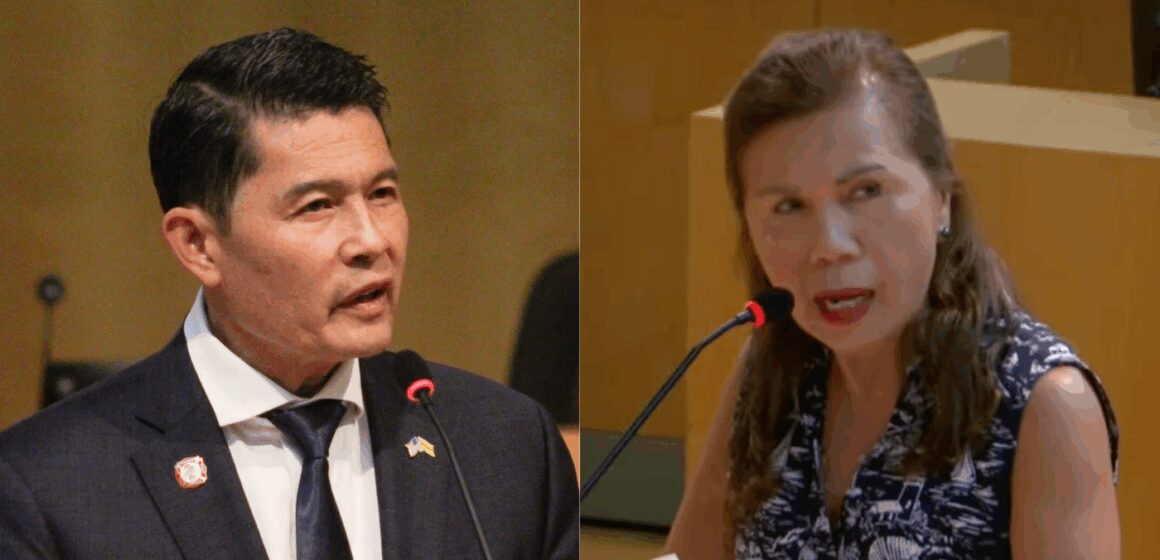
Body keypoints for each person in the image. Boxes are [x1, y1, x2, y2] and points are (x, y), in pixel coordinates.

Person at [0, 28, 578, 560]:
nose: (372, 241)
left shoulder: (505, 446)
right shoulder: (48, 485)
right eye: (318, 206)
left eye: (382, 193)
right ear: (198, 244)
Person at [663, 29, 1119, 559]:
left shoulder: (1044, 405)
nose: (829, 247)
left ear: (942, 198)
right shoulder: (771, 365)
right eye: (788, 207)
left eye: (865, 192)